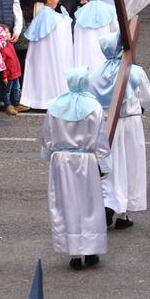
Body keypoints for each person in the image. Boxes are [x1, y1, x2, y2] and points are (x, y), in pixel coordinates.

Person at [40, 67, 108, 270]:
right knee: (89, 205)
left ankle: (75, 253)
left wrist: (49, 155)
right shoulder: (94, 107)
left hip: (61, 162)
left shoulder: (54, 106)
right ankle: (90, 249)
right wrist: (104, 165)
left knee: (66, 203)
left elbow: (47, 136)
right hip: (85, 160)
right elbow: (100, 139)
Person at [90, 30, 150, 230]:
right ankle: (124, 210)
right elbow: (147, 99)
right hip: (130, 124)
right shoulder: (134, 71)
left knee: (111, 166)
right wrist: (142, 107)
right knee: (129, 165)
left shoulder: (94, 73)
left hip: (106, 124)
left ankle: (109, 203)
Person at [18, 0, 73, 110]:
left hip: (41, 57)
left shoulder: (42, 15)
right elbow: (60, 30)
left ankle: (37, 100)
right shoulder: (50, 16)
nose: (58, 1)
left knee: (41, 75)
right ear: (49, 0)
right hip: (50, 56)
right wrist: (67, 19)